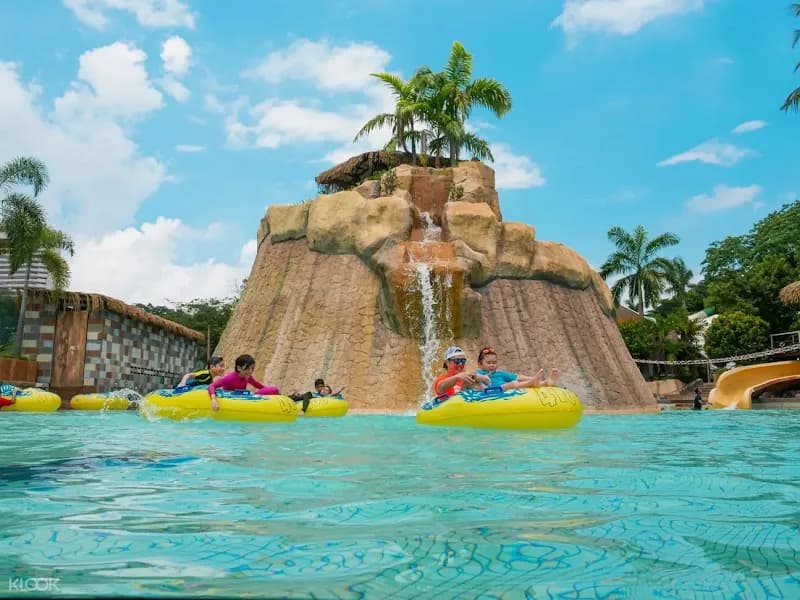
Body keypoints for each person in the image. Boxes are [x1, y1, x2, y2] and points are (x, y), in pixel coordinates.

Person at [207, 354, 279, 411]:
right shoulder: (229, 377)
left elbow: (257, 385)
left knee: (274, 390)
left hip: (244, 398)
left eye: (252, 368)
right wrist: (213, 399)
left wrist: (270, 392)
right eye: (247, 368)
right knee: (274, 389)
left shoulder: (247, 377)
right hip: (230, 399)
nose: (250, 371)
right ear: (239, 368)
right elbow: (211, 386)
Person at [475, 347, 560, 391]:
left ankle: (545, 382)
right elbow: (474, 376)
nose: (492, 365)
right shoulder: (479, 372)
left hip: (508, 390)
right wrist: (481, 377)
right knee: (513, 383)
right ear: (480, 364)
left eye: (494, 363)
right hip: (495, 391)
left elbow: (518, 377)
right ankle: (533, 382)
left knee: (518, 381)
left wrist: (533, 377)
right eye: (488, 363)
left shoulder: (500, 373)